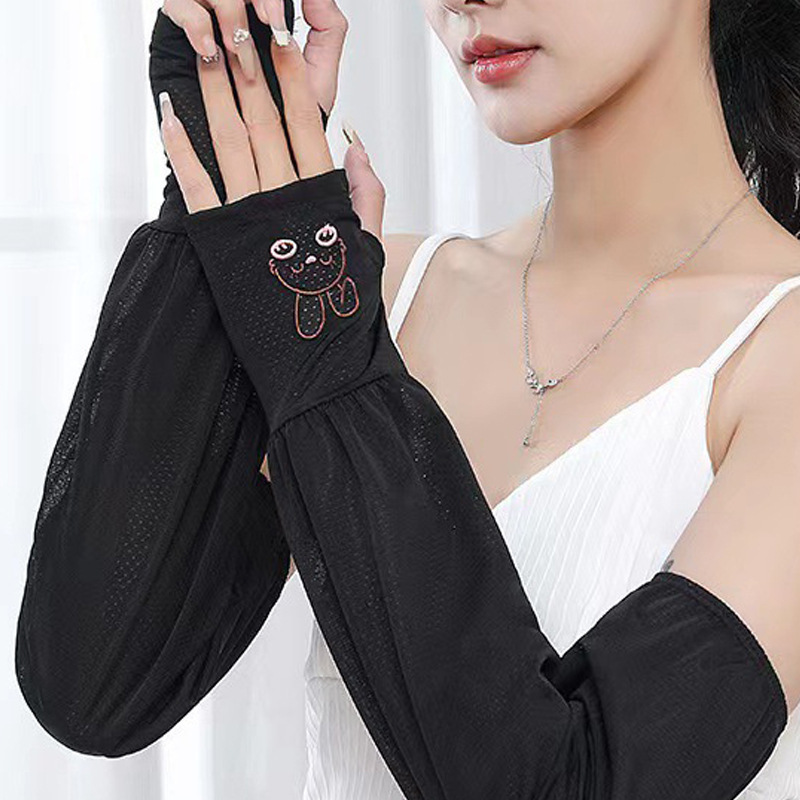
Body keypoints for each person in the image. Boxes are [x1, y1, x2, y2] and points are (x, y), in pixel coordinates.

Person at [15, 0, 800, 798]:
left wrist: (332, 363)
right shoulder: (373, 299)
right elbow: (92, 688)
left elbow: (571, 783)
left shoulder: (782, 356)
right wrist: (215, 185)